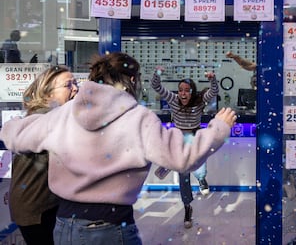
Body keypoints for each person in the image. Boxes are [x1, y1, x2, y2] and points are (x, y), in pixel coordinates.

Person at [0, 52, 237, 245]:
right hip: (109, 227)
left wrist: (24, 117)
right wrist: (219, 128)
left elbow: (12, 135)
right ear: (132, 80)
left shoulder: (63, 115)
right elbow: (183, 158)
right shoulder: (139, 119)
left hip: (63, 226)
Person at [9, 65, 78, 245]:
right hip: (38, 208)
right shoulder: (47, 120)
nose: (76, 88)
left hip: (34, 204)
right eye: (68, 85)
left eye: (75, 83)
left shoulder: (42, 117)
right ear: (48, 95)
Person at [151, 67, 218, 229]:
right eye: (180, 90)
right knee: (183, 176)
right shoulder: (173, 99)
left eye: (187, 91)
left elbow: (214, 91)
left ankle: (201, 179)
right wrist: (157, 73)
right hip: (179, 139)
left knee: (199, 166)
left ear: (192, 92)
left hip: (195, 138)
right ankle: (187, 207)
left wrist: (212, 78)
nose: (183, 94)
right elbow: (156, 86)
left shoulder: (199, 100)